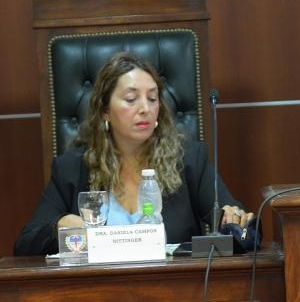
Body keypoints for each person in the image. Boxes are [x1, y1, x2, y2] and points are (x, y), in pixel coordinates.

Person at [14, 52, 253, 256]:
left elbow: (248, 232)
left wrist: (234, 222)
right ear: (105, 110)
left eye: (152, 98)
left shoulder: (188, 160)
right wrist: (58, 226)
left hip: (175, 289)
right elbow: (24, 245)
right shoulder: (72, 168)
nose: (145, 109)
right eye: (131, 99)